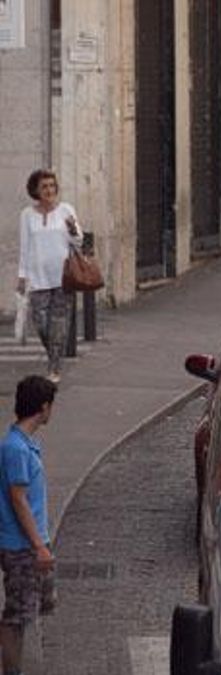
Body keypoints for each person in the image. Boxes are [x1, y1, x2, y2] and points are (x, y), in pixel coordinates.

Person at [0, 376, 59, 675]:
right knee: (17, 615)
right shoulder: (16, 449)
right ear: (44, 407)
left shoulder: (24, 445)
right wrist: (38, 546)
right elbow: (18, 499)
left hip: (31, 543)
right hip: (22, 546)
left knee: (30, 609)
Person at [17, 169, 83, 384]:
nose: (49, 190)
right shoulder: (27, 215)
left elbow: (78, 242)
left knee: (59, 325)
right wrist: (22, 275)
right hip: (38, 278)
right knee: (41, 323)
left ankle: (54, 368)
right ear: (35, 190)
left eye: (52, 186)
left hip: (63, 277)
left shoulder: (66, 210)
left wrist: (73, 230)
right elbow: (25, 247)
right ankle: (54, 354)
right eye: (44, 186)